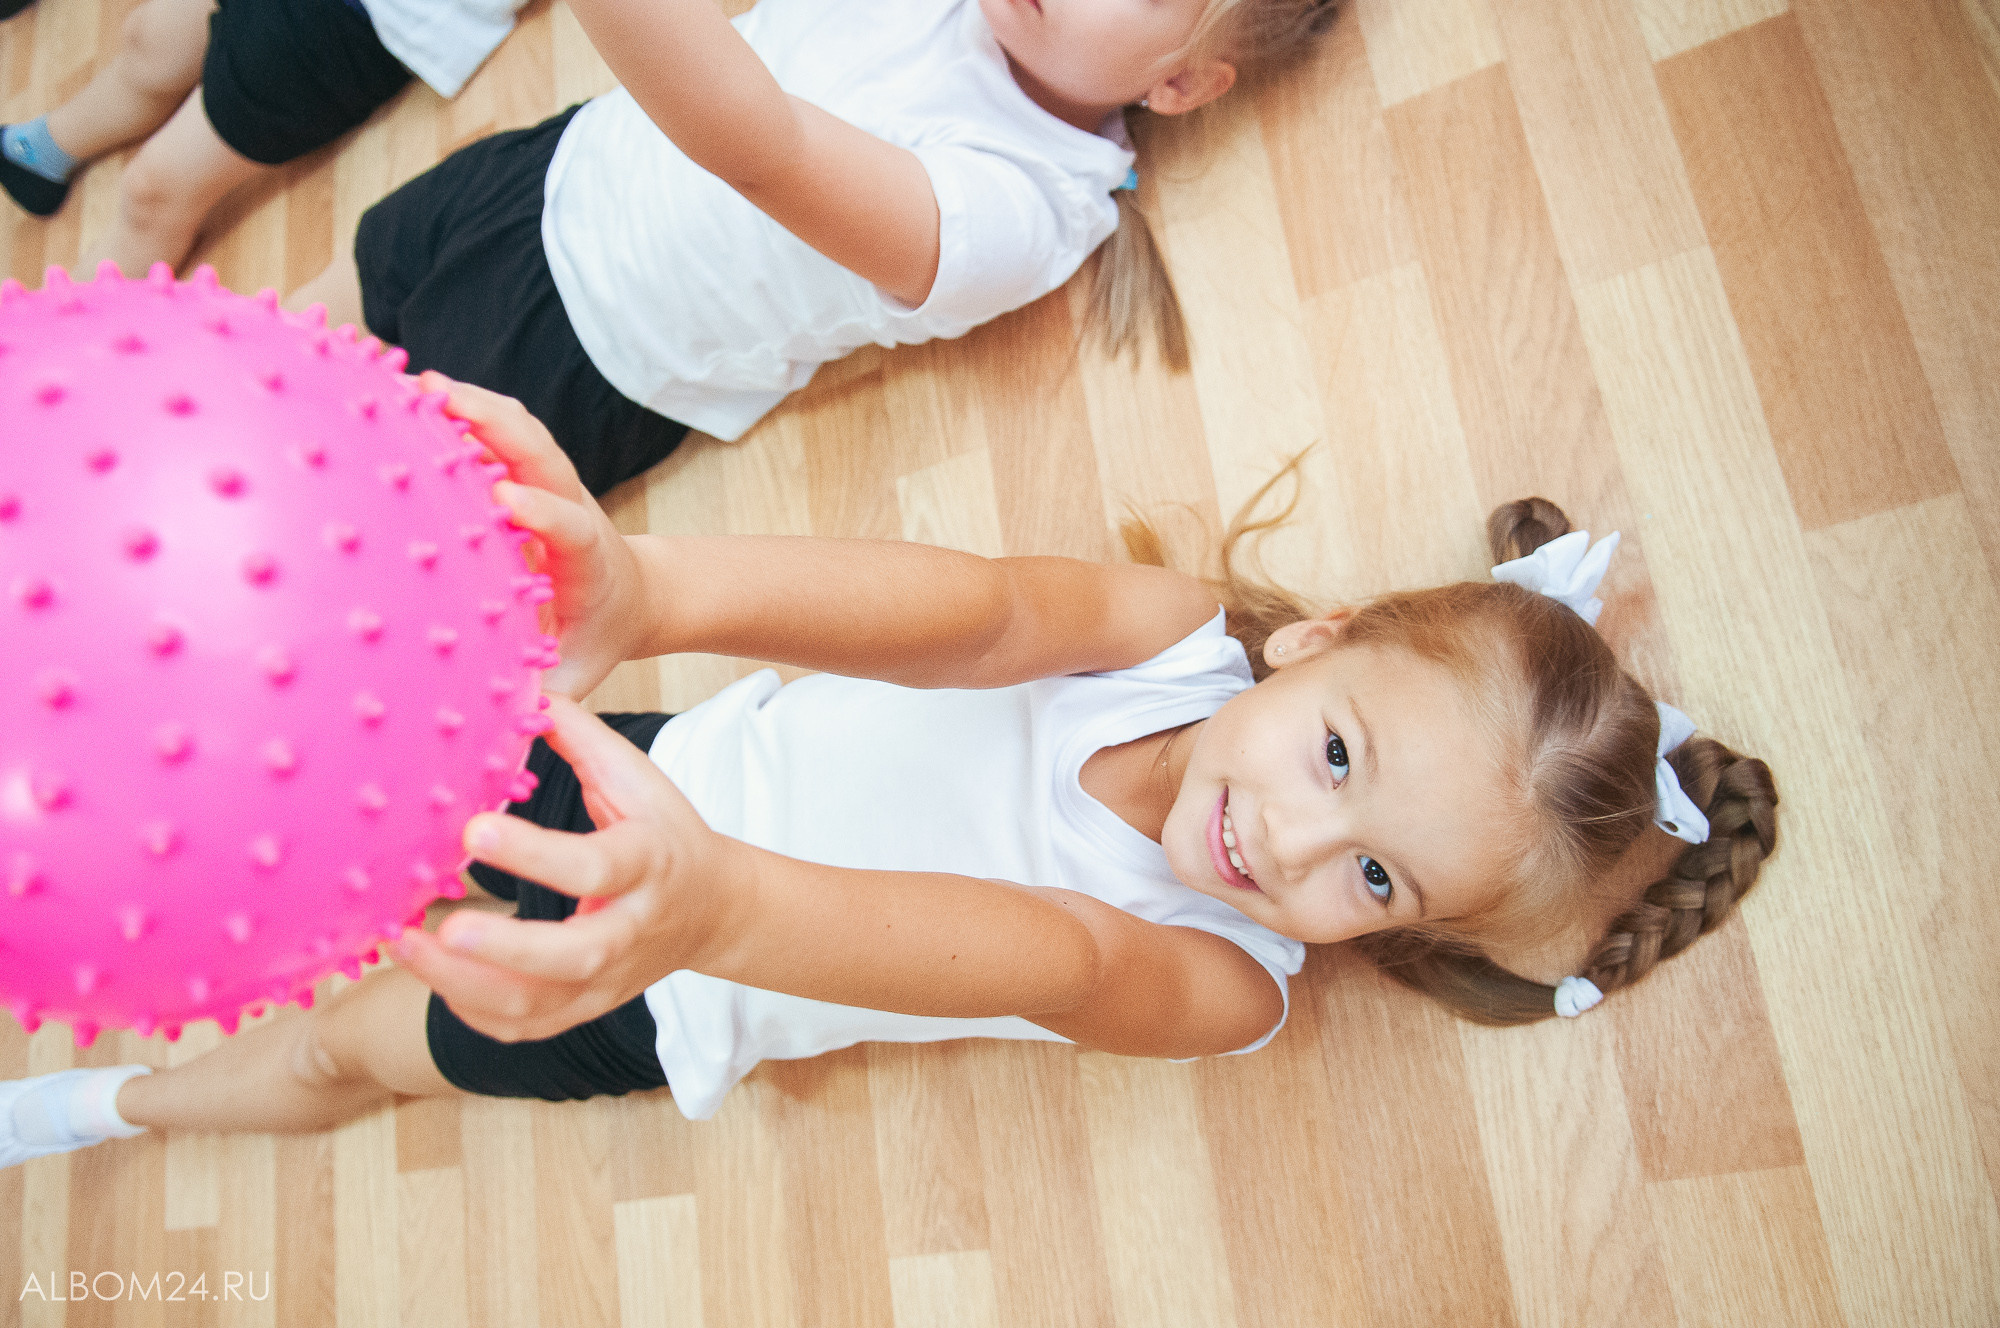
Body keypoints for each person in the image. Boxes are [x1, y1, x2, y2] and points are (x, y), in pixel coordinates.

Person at [0, 377, 1779, 1164]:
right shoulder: (1173, 636)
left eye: (1374, 877)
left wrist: (708, 910)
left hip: (673, 986)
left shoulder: (1227, 981)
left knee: (341, 1040)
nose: (1295, 839)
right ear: (1313, 639)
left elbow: (1054, 958)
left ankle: (96, 1111)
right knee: (316, 796)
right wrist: (658, 586)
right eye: (1335, 754)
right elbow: (980, 613)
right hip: (647, 756)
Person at [279, 0, 1345, 496]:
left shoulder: (1021, 210)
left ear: (1179, 83)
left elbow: (761, 146)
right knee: (297, 331)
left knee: (343, 503)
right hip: (546, 175)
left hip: (588, 355)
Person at [0, 0, 528, 275]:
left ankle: (65, 353)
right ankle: (37, 154)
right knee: (150, 39)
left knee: (153, 192)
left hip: (360, 20)